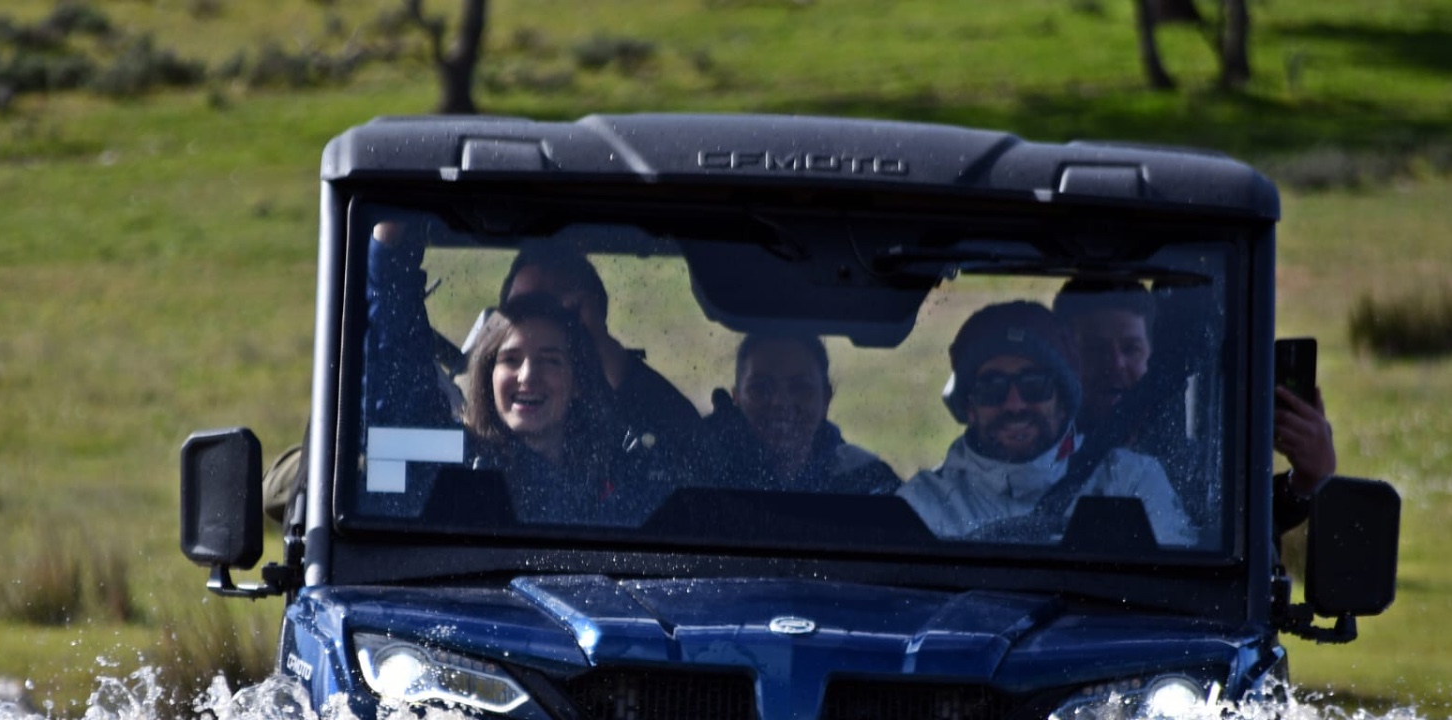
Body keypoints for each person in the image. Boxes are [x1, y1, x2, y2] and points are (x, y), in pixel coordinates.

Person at [897, 300, 1196, 544]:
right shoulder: (922, 505)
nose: (1014, 404)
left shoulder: (1131, 482)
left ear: (1064, 401)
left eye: (1034, 385)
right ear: (969, 406)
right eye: (992, 388)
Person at [1052, 279, 1337, 534]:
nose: (1115, 365)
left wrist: (1306, 481)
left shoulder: (1197, 467)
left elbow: (1244, 531)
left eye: (1130, 349)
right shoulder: (1036, 457)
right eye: (1096, 350)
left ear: (1152, 358)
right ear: (1065, 360)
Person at [497, 242, 703, 478]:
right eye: (521, 310)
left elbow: (690, 456)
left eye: (554, 313)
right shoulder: (481, 425)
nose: (527, 376)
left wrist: (602, 349)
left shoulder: (618, 432)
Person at [458, 291, 645, 523]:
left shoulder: (620, 475)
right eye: (511, 359)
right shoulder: (459, 469)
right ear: (489, 377)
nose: (527, 377)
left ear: (578, 380)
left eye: (549, 360)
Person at [704, 333, 898, 494]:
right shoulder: (702, 468)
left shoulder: (865, 478)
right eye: (760, 389)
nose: (780, 402)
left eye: (801, 388)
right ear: (736, 398)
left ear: (825, 400)